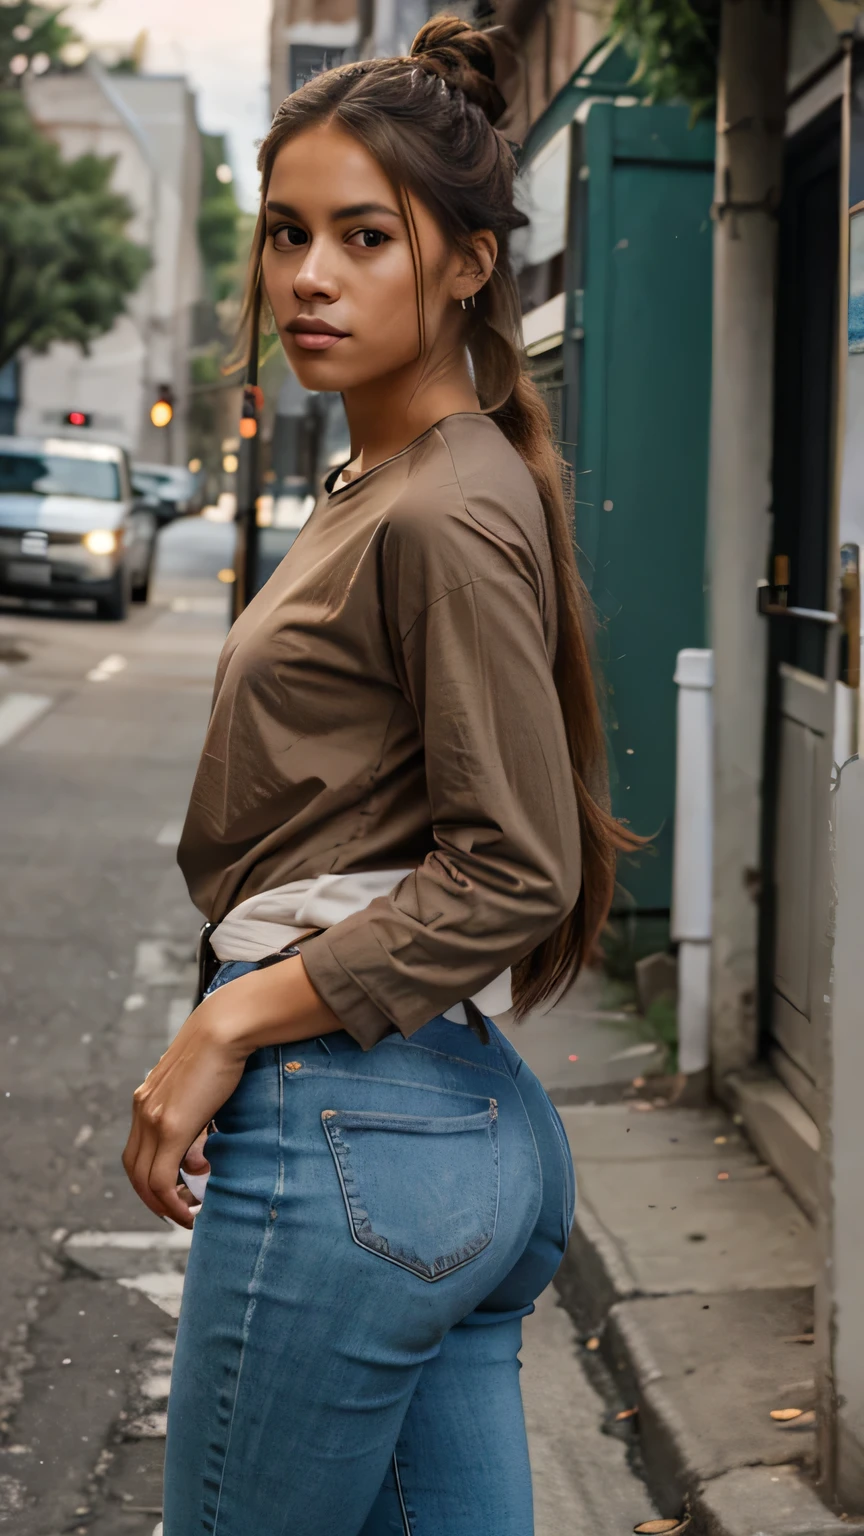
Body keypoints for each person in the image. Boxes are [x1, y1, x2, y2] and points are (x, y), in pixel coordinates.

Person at [122, 18, 637, 1534]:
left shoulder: (443, 509)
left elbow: (516, 864)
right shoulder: (422, 481)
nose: (308, 277)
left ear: (468, 263)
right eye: (288, 234)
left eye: (363, 235)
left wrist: (233, 1016)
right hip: (445, 1134)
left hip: (354, 1132)